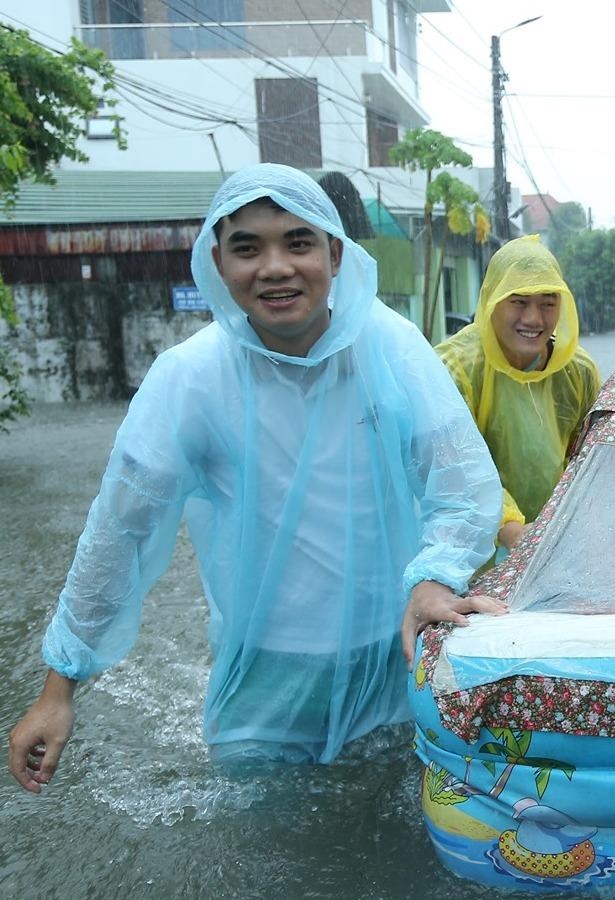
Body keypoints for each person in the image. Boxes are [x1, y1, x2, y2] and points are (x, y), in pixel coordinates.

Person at [8, 164, 504, 788]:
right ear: (217, 261)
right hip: (261, 687)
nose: (274, 267)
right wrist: (60, 688)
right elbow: (118, 534)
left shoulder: (390, 347)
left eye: (298, 242)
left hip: (392, 666)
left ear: (337, 254)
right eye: (248, 248)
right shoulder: (189, 378)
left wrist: (436, 577)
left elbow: (461, 485)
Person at [436, 235, 600, 549]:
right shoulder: (455, 368)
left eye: (548, 303)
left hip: (554, 547)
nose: (534, 319)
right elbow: (454, 466)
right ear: (491, 299)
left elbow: (590, 458)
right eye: (519, 301)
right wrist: (512, 531)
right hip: (469, 554)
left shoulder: (578, 371)